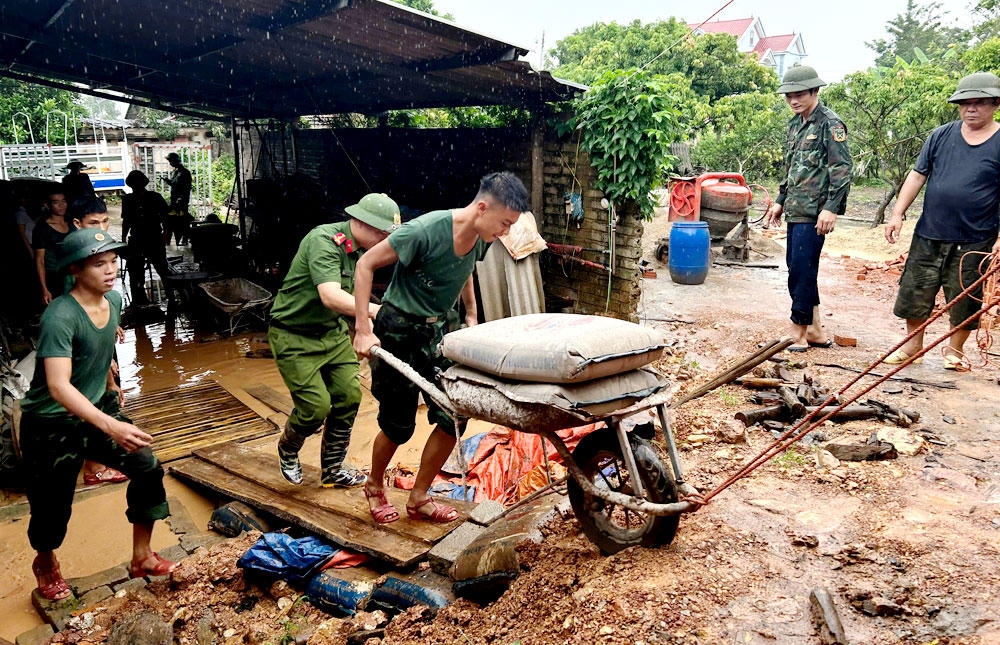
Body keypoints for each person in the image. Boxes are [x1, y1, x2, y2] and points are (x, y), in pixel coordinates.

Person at [353, 172, 527, 524]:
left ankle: (418, 497)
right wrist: (362, 329)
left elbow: (464, 272)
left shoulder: (482, 236)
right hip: (398, 328)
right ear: (482, 208)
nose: (507, 232)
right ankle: (373, 485)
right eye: (505, 222)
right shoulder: (424, 230)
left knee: (454, 415)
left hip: (439, 332)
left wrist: (473, 315)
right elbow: (364, 264)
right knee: (399, 424)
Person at [19, 228, 177, 601]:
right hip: (51, 424)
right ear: (75, 270)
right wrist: (111, 425)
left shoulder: (116, 300)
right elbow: (58, 385)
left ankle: (142, 556)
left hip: (95, 409)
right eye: (98, 263)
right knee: (52, 506)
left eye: (112, 261)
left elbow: (100, 346)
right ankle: (46, 562)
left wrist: (109, 383)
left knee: (146, 464)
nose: (110, 270)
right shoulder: (59, 316)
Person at [270, 193, 400, 488]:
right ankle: (288, 447)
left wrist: (365, 326)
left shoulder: (365, 254)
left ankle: (332, 470)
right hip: (294, 335)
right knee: (316, 406)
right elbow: (330, 295)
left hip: (332, 333)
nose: (386, 241)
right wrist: (377, 312)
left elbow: (357, 296)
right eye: (383, 233)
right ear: (363, 224)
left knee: (349, 397)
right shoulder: (325, 240)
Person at [883, 72, 1000, 371]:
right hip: (930, 231)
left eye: (979, 103)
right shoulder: (941, 135)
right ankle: (912, 346)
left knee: (964, 296)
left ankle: (954, 350)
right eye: (965, 103)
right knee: (916, 290)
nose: (970, 108)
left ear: (995, 104)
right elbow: (917, 174)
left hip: (977, 237)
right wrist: (897, 213)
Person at [766, 65, 853, 352]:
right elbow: (791, 168)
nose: (793, 100)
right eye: (789, 96)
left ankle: (797, 331)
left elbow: (842, 168)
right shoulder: (795, 124)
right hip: (795, 208)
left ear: (815, 91)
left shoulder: (831, 123)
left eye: (799, 94)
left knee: (801, 270)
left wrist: (831, 208)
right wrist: (780, 200)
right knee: (799, 267)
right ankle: (814, 330)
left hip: (815, 212)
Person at [68, 197, 130, 486]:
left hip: (98, 336)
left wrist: (111, 322)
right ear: (77, 224)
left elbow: (101, 299)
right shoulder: (77, 259)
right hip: (84, 344)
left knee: (106, 394)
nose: (103, 227)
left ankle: (100, 453)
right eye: (95, 223)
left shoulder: (96, 254)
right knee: (93, 395)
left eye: (105, 221)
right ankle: (93, 466)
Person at [121, 170, 172, 306]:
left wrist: (166, 233)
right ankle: (139, 298)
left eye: (138, 182)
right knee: (135, 269)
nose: (137, 185)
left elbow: (166, 218)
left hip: (154, 236)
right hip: (138, 238)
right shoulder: (127, 200)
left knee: (161, 267)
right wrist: (123, 238)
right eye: (134, 183)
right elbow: (126, 221)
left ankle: (170, 295)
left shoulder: (155, 197)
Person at [33, 191, 72, 304]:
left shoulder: (72, 223)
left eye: (63, 201)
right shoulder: (42, 229)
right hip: (54, 278)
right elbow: (40, 261)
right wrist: (44, 289)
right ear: (47, 205)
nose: (61, 205)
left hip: (74, 276)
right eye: (56, 202)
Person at [163, 152, 192, 246]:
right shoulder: (176, 172)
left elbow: (187, 187)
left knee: (183, 220)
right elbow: (174, 184)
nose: (170, 163)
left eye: (171, 161)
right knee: (171, 219)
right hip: (174, 201)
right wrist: (168, 181)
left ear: (175, 161)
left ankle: (185, 239)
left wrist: (181, 198)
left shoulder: (185, 172)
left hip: (182, 201)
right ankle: (172, 240)